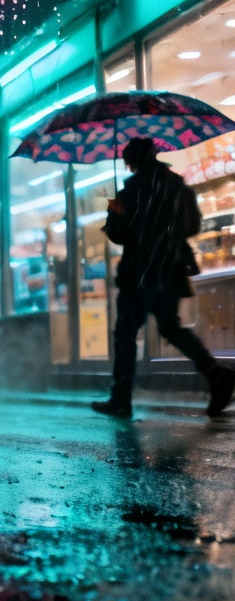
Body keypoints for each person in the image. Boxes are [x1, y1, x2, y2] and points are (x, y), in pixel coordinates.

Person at [93, 137, 235, 418]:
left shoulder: (130, 190)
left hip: (139, 273)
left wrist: (115, 209)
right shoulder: (177, 184)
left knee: (125, 333)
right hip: (170, 270)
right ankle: (215, 373)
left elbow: (118, 233)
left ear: (131, 160)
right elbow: (193, 225)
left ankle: (121, 398)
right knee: (170, 327)